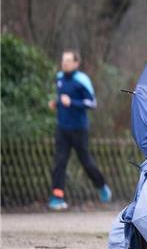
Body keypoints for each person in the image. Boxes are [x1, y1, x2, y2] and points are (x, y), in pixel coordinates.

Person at [47, 49, 112, 210]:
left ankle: (102, 186)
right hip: (62, 128)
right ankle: (57, 198)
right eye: (63, 60)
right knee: (59, 162)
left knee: (86, 162)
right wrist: (56, 103)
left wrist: (72, 102)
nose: (65, 63)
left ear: (76, 63)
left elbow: (92, 103)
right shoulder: (60, 78)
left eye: (68, 61)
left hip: (78, 129)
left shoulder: (82, 80)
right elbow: (62, 98)